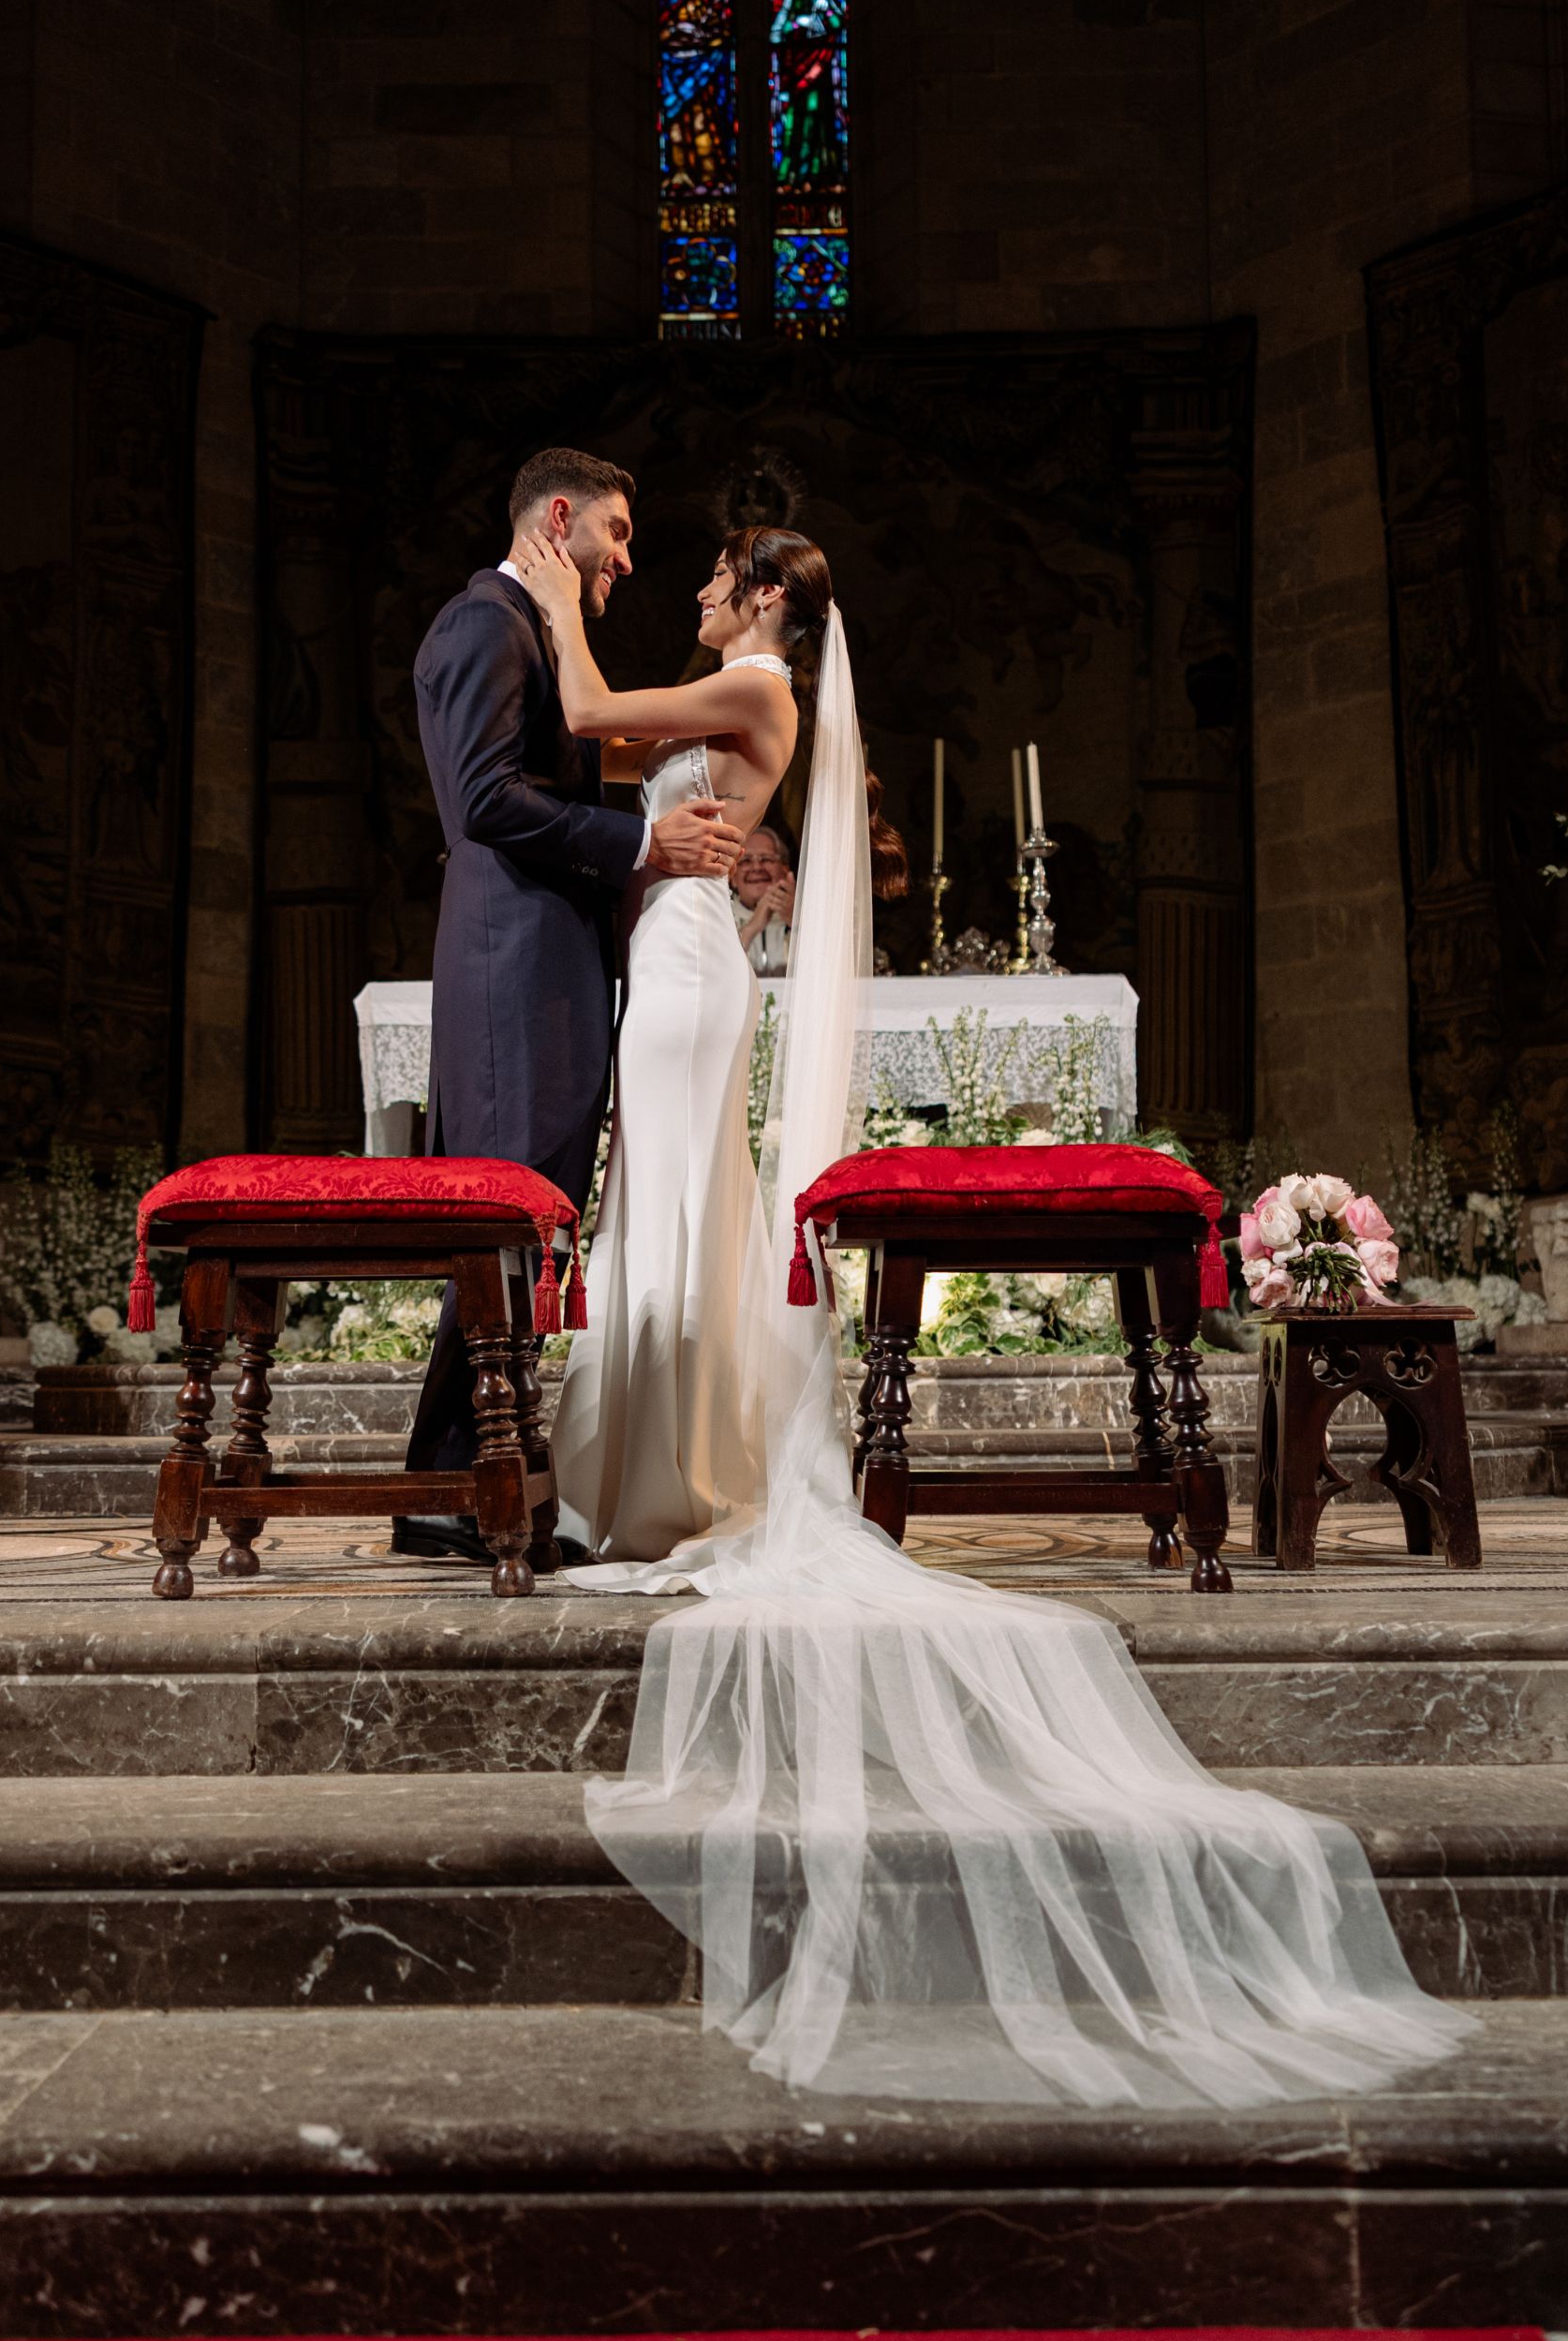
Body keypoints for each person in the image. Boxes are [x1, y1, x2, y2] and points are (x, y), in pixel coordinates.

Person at [514, 521, 1472, 2112]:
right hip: (670, 957)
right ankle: (644, 1464)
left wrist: (552, 598)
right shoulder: (738, 685)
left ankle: (654, 1476)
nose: (681, 582)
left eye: (706, 571)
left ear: (759, 597)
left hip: (687, 975)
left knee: (680, 1208)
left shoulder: (749, 689)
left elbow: (596, 716)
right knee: (664, 1213)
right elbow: (630, 768)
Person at [392, 448, 741, 1567]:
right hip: (513, 974)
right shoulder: (481, 623)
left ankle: (469, 1476)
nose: (628, 561)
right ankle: (455, 1486)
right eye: (619, 533)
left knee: (526, 1224)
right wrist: (647, 839)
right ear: (560, 518)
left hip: (551, 970)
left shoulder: (530, 626)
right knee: (501, 1223)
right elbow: (485, 797)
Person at [731, 823, 796, 973]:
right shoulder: (719, 916)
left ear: (785, 870)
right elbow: (716, 971)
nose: (756, 867)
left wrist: (796, 920)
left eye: (766, 859)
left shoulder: (811, 915)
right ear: (733, 877)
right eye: (746, 861)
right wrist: (753, 926)